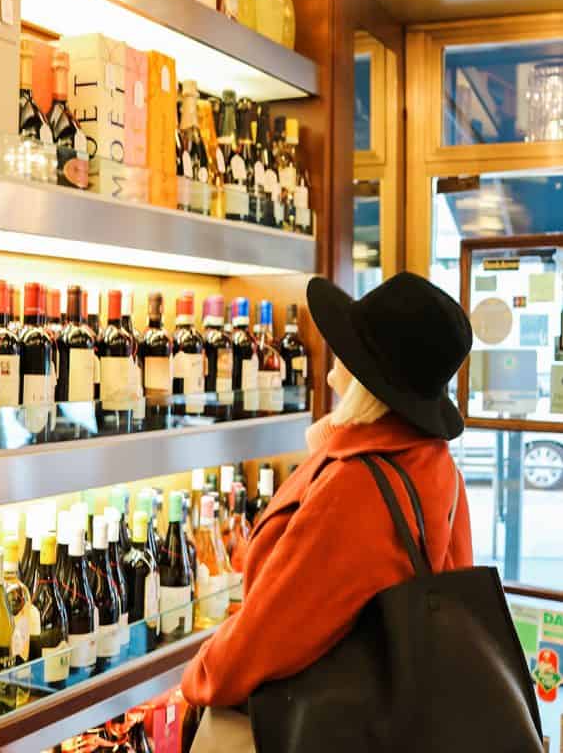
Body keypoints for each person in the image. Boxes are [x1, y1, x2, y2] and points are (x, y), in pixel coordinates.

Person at [182, 271, 474, 751]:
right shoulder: (431, 461)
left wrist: (200, 675)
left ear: (367, 379)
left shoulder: (356, 485)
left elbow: (271, 634)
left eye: (348, 346)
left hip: (317, 722)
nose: (334, 354)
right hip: (398, 716)